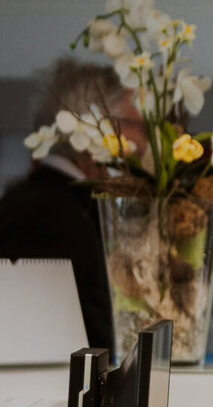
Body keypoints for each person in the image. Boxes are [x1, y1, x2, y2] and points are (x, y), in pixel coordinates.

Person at [0, 57, 144, 351]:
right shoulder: (49, 216)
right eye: (133, 124)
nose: (143, 144)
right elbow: (38, 346)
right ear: (92, 128)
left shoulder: (45, 202)